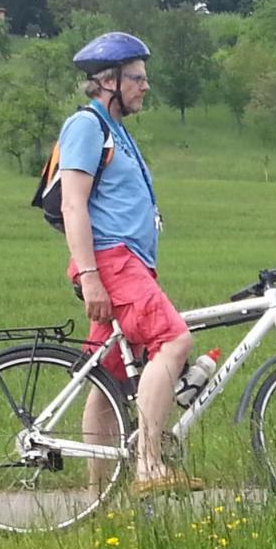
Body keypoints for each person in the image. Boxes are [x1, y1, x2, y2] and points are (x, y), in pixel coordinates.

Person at [59, 31, 200, 496]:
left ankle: (98, 497)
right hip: (112, 261)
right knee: (175, 340)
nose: (146, 86)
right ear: (107, 81)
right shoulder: (86, 126)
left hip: (127, 263)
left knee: (107, 379)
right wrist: (91, 276)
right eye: (137, 78)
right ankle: (149, 466)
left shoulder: (117, 130)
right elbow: (73, 205)